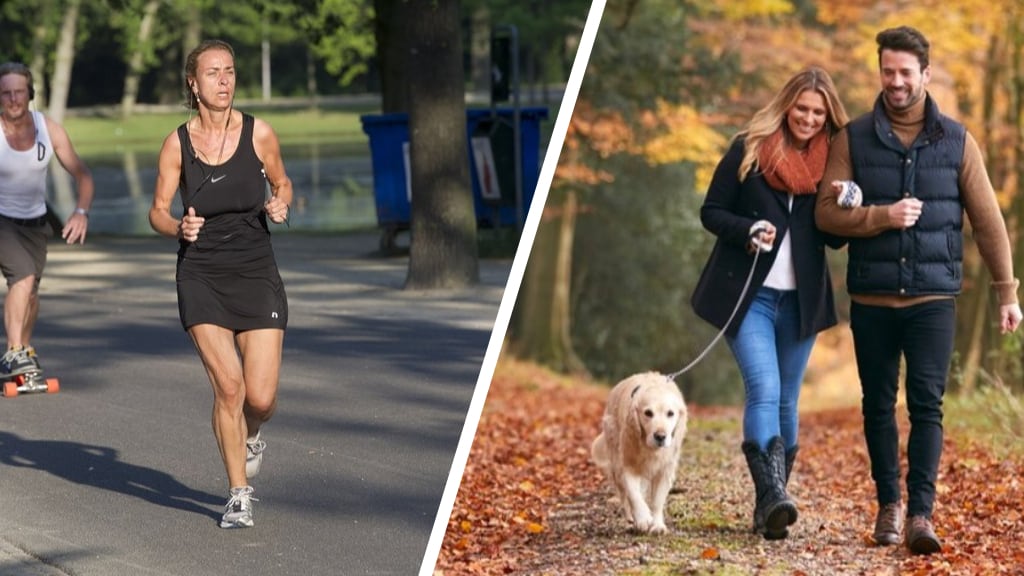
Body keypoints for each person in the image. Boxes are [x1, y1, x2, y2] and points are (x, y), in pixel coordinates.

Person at [815, 26, 1023, 555]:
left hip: (933, 300)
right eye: (888, 71)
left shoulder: (957, 141)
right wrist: (881, 216)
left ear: (925, 74)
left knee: (927, 405)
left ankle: (921, 514)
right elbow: (825, 215)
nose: (896, 82)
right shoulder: (852, 139)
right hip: (872, 299)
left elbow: (988, 222)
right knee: (878, 406)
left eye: (906, 72)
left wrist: (1007, 292)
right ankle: (889, 504)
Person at [691, 67, 850, 540]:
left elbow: (836, 240)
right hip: (750, 296)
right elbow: (711, 211)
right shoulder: (750, 148)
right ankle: (772, 496)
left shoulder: (834, 163)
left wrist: (846, 202)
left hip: (801, 302)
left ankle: (771, 505)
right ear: (786, 105)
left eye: (818, 113)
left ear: (828, 117)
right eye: (802, 108)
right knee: (764, 388)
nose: (808, 118)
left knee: (788, 399)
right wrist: (747, 230)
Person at [149, 40, 292, 529]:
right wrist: (178, 227)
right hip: (201, 273)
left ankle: (250, 435)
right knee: (229, 387)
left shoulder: (259, 133)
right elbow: (157, 211)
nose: (224, 80)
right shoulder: (177, 144)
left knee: (261, 398)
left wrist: (281, 202)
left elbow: (283, 182)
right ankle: (238, 494)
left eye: (229, 71)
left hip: (256, 269)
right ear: (194, 84)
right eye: (213, 73)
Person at [0, 61, 93, 377]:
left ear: (30, 94)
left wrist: (80, 212)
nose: (14, 99)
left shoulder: (48, 129)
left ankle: (23, 351)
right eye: (6, 93)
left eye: (19, 92)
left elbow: (83, 176)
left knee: (31, 292)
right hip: (2, 221)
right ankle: (13, 351)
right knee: (22, 277)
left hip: (36, 224)